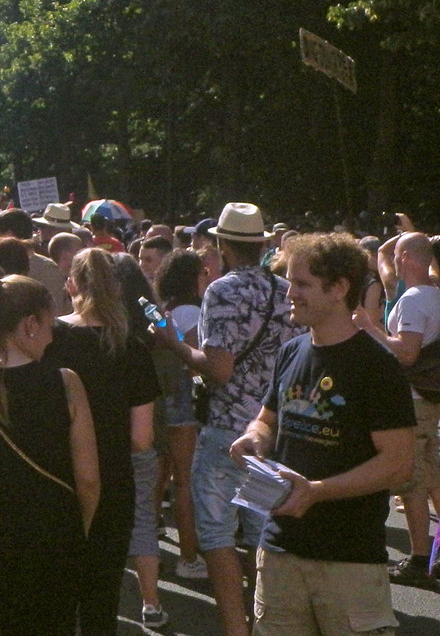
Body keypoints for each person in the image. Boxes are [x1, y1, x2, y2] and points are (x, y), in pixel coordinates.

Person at [231, 233, 414, 636]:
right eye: (290, 282)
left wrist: (316, 490)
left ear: (339, 289)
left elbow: (398, 463)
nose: (289, 293)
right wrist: (254, 438)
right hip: (279, 548)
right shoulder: (292, 351)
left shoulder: (377, 366)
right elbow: (266, 420)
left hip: (348, 560)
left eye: (302, 284)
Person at [152, 201, 304, 636]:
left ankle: (237, 629)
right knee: (263, 538)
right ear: (260, 244)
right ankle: (266, 625)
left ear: (222, 245)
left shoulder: (223, 291)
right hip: (274, 427)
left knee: (217, 537)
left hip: (226, 430)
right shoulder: (283, 288)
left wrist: (174, 343)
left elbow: (218, 368)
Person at [0, 275, 99, 636]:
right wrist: (77, 526)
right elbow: (88, 478)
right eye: (49, 324)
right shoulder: (65, 383)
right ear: (30, 324)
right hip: (49, 536)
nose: (53, 334)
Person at [44, 247, 159, 635]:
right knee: (101, 597)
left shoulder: (50, 339)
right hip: (112, 479)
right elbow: (142, 438)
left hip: (53, 476)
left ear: (71, 284)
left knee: (54, 593)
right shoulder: (132, 346)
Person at [350, 229, 440, 584]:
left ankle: (419, 559)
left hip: (413, 400)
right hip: (429, 398)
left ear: (406, 259)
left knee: (412, 481)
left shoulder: (415, 299)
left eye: (399, 256)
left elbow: (406, 351)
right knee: (432, 475)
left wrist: (369, 327)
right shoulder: (434, 293)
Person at [152, 249, 209, 580]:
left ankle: (148, 549)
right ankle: (189, 557)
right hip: (184, 401)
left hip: (161, 400)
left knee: (157, 481)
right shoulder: (195, 312)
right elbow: (195, 358)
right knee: (184, 482)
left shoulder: (163, 310)